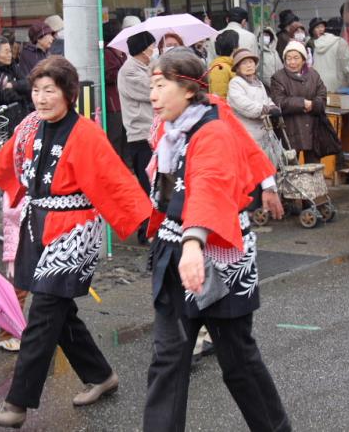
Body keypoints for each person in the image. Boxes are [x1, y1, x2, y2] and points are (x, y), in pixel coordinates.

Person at [0, 56, 150, 429]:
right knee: (60, 313)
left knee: (43, 312)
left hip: (74, 228)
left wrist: (151, 223)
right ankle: (101, 375)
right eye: (38, 91)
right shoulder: (29, 127)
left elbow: (117, 180)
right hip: (37, 223)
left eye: (50, 91)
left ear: (69, 93)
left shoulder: (86, 134)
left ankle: (17, 403)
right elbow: (5, 160)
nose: (41, 99)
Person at [143, 48, 291, 432]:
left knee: (237, 358)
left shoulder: (215, 126)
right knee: (168, 357)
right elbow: (161, 191)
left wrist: (193, 241)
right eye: (151, 86)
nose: (153, 96)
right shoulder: (167, 128)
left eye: (160, 86)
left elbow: (209, 183)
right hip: (174, 250)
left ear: (189, 89)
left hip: (218, 250)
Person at [118, 30, 157, 244]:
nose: (154, 49)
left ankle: (152, 228)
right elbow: (152, 91)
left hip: (152, 134)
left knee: (153, 184)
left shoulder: (145, 67)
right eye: (152, 45)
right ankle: (146, 230)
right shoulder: (129, 72)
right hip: (140, 135)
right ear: (143, 49)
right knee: (146, 186)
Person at [269, 41, 327, 164]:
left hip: (313, 129)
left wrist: (314, 105)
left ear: (303, 60)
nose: (292, 62)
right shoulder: (278, 77)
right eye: (288, 58)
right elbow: (278, 101)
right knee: (291, 169)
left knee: (313, 170)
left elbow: (322, 96)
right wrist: (302, 103)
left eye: (296, 58)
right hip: (290, 129)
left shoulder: (313, 75)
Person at [226, 49, 279, 152]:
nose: (249, 65)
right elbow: (244, 104)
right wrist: (265, 109)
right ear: (237, 67)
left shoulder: (258, 82)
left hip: (263, 134)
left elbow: (266, 99)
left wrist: (273, 107)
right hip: (246, 133)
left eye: (251, 62)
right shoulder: (235, 83)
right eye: (244, 63)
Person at [312, 17, 349, 92]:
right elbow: (348, 69)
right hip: (337, 87)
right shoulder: (340, 42)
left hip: (318, 85)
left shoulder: (317, 43)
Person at [103, 19, 128, 158]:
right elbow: (109, 75)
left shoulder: (120, 52)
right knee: (115, 137)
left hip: (121, 101)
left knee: (123, 137)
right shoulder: (107, 53)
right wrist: (123, 70)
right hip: (113, 103)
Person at [207, 30, 239, 99]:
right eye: (238, 44)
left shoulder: (229, 65)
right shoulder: (220, 69)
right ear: (234, 48)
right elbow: (219, 98)